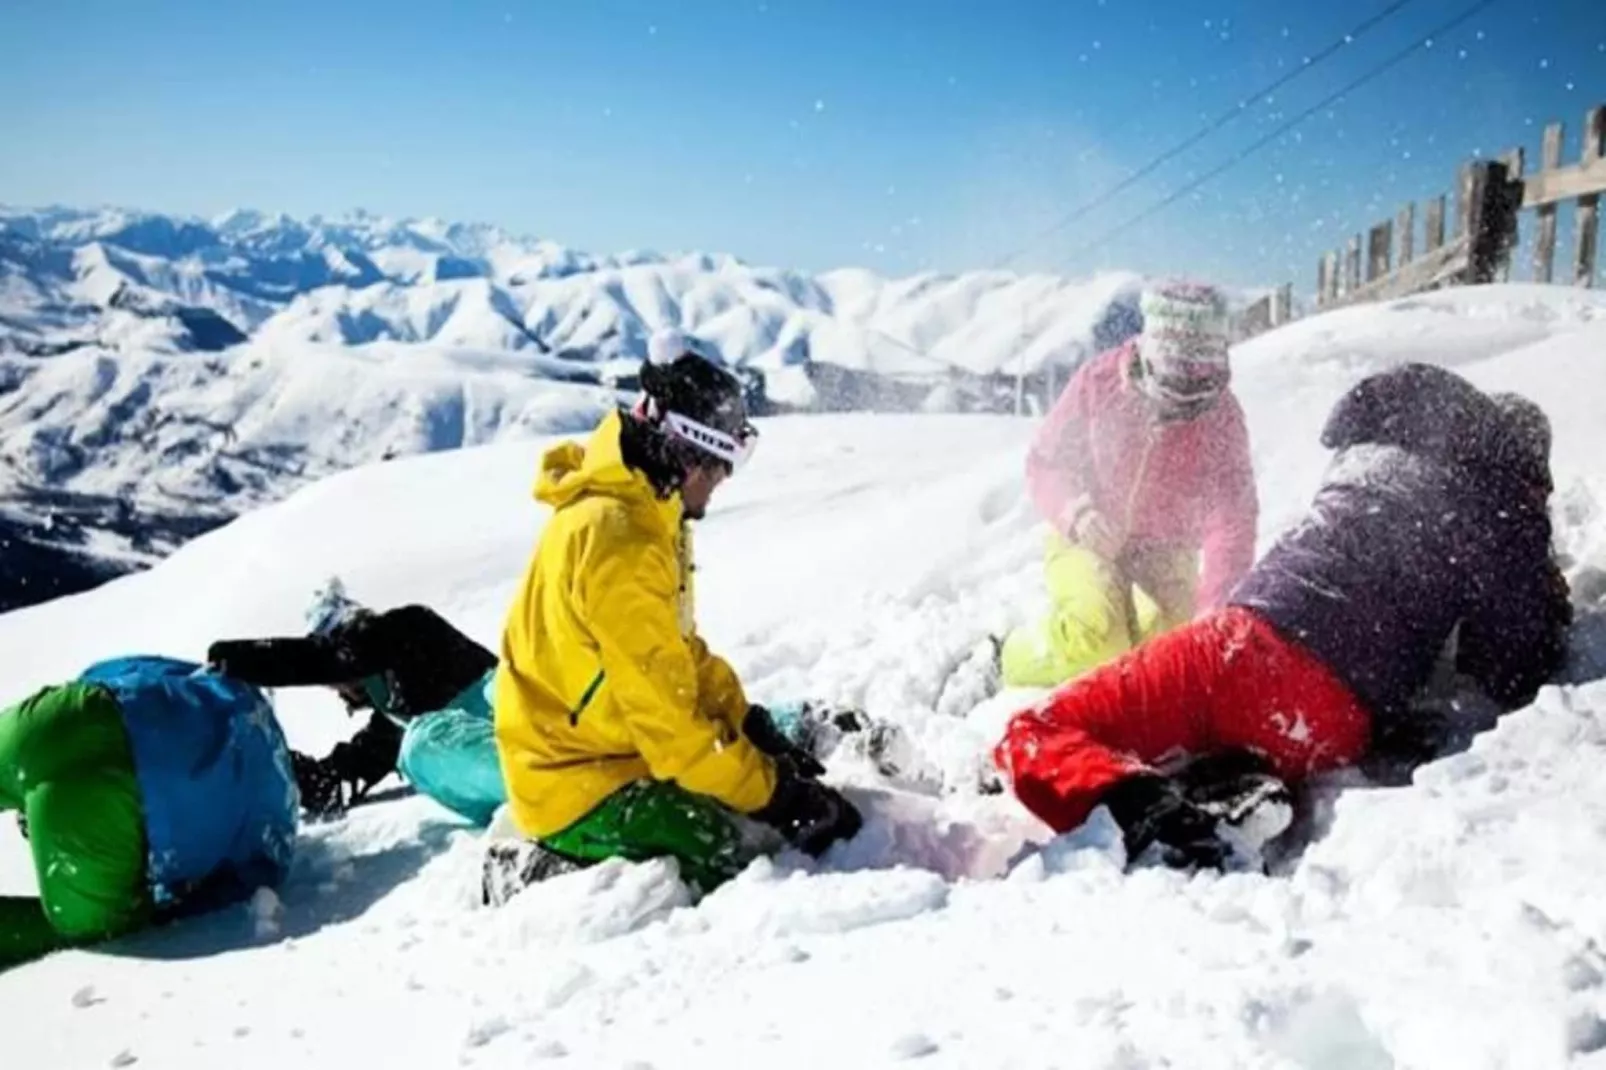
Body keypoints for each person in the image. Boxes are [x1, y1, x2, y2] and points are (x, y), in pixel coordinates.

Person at [993, 363, 1572, 869]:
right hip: (1335, 722)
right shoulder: (1507, 514)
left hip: (1238, 653)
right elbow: (1510, 666)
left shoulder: (1377, 446)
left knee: (1034, 732)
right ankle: (1226, 779)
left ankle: (1150, 813)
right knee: (1228, 728)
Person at [488, 329, 863, 900]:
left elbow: (677, 655)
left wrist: (746, 723)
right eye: (716, 467)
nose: (720, 483)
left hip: (613, 744)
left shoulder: (651, 503)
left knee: (733, 801)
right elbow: (673, 731)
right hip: (571, 777)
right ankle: (538, 870)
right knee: (718, 850)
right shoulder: (620, 540)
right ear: (682, 450)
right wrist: (777, 796)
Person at [999, 280, 1259, 689]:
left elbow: (1233, 516)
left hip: (1167, 551)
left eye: (1195, 396)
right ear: (1148, 358)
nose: (1180, 409)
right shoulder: (1098, 383)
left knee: (1169, 650)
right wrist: (1077, 514)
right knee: (1100, 635)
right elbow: (1046, 461)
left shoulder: (1222, 415)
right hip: (1086, 535)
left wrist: (1217, 605)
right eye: (1172, 391)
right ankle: (1007, 656)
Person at [1, 656, 298, 971]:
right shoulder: (277, 832)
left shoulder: (240, 694)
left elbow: (118, 668)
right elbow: (214, 893)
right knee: (84, 924)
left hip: (64, 717)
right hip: (116, 796)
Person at [205, 579, 505, 826]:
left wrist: (234, 660)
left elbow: (342, 657)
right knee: (418, 748)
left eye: (335, 682)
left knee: (422, 745)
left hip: (522, 718)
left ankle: (540, 789)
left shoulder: (411, 629)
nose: (338, 692)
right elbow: (341, 779)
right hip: (508, 767)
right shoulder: (397, 719)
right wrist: (283, 766)